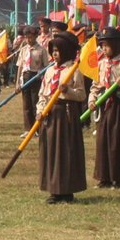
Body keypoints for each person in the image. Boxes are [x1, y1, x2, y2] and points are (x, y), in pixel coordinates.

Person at [36, 30, 87, 204]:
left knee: (65, 151)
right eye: (53, 50)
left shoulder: (73, 70)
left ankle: (66, 189)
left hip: (66, 114)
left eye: (58, 50)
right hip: (50, 115)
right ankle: (53, 189)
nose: (55, 54)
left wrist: (68, 91)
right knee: (50, 151)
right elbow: (43, 93)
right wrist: (39, 110)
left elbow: (81, 95)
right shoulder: (50, 71)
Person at [89, 27, 120, 189]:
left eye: (107, 46)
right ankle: (103, 176)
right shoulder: (101, 64)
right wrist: (92, 100)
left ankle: (119, 178)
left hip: (118, 106)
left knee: (116, 140)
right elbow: (95, 85)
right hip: (103, 106)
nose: (104, 49)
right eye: (102, 46)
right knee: (102, 141)